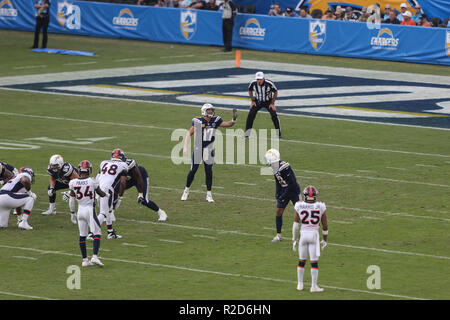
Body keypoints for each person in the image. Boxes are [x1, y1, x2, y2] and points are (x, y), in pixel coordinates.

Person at [181, 104, 237, 203]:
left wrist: (233, 119)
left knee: (209, 172)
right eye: (209, 110)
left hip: (209, 150)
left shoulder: (216, 120)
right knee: (193, 170)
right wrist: (185, 147)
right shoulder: (198, 121)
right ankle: (186, 190)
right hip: (198, 149)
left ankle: (209, 194)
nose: (211, 111)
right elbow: (189, 133)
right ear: (204, 111)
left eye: (211, 110)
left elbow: (228, 124)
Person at [69, 160, 107, 267]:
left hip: (80, 211)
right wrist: (107, 195)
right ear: (89, 170)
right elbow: (101, 193)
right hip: (90, 210)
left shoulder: (73, 182)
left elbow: (71, 200)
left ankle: (84, 260)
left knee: (82, 236)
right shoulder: (92, 181)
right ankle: (94, 256)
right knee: (97, 233)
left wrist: (72, 212)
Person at [292, 186, 328, 292]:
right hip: (314, 235)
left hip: (303, 235)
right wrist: (325, 240)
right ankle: (313, 286)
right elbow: (325, 226)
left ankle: (300, 284)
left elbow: (295, 225)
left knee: (301, 260)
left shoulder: (299, 205)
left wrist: (294, 239)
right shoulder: (320, 206)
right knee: (314, 262)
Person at [112, 156, 167, 222]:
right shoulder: (115, 164)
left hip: (140, 177)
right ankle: (111, 212)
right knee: (114, 191)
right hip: (128, 179)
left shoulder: (130, 164)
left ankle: (161, 212)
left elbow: (139, 177)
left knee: (144, 201)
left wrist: (140, 194)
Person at [264, 149, 301, 243]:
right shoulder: (274, 167)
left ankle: (306, 234)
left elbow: (292, 184)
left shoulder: (285, 167)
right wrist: (277, 192)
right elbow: (277, 180)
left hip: (293, 191)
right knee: (278, 212)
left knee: (300, 213)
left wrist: (283, 196)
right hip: (284, 190)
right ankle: (278, 235)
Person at [96, 149, 128, 239]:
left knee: (109, 211)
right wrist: (120, 197)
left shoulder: (104, 163)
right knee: (104, 213)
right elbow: (122, 182)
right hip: (108, 189)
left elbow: (98, 176)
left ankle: (110, 232)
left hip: (98, 188)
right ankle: (91, 232)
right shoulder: (123, 165)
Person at [43, 154, 79, 224]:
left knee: (78, 195)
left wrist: (69, 192)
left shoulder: (67, 169)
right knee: (50, 189)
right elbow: (52, 178)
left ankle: (81, 212)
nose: (53, 167)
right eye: (52, 165)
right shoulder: (51, 169)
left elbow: (77, 183)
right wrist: (52, 188)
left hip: (74, 182)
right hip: (64, 182)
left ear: (60, 164)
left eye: (55, 165)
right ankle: (52, 209)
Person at [245, 71, 281, 139]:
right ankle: (247, 134)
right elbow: (250, 90)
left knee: (274, 115)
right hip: (258, 101)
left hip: (268, 102)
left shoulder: (269, 83)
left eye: (260, 79)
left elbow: (275, 91)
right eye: (257, 79)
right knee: (251, 114)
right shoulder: (253, 83)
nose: (259, 81)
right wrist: (252, 100)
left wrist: (272, 103)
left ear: (263, 78)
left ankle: (278, 134)